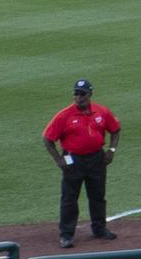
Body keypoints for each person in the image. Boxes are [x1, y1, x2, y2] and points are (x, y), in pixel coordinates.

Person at [44, 79, 120, 249]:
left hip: (96, 159)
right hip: (73, 160)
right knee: (69, 198)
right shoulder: (64, 115)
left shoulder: (102, 112)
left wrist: (111, 150)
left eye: (82, 94)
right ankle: (66, 235)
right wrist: (58, 159)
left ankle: (99, 229)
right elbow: (47, 139)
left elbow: (115, 130)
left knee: (98, 196)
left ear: (90, 94)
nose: (79, 97)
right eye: (76, 93)